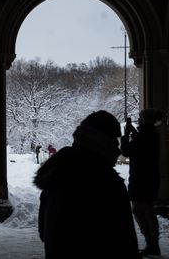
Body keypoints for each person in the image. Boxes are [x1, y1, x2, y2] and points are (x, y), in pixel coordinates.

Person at [34, 111, 139, 259]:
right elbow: (124, 240)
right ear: (104, 142)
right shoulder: (107, 182)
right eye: (114, 139)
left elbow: (44, 231)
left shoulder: (58, 172)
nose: (117, 145)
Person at [121, 109, 163, 257]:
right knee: (148, 209)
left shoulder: (143, 137)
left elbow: (126, 151)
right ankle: (153, 244)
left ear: (144, 120)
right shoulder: (152, 135)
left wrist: (126, 135)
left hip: (140, 179)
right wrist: (134, 133)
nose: (138, 120)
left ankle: (151, 243)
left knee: (139, 210)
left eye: (140, 118)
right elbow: (142, 145)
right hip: (150, 178)